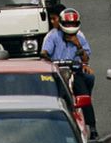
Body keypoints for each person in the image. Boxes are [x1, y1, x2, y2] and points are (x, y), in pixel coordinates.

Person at [40, 8, 96, 136]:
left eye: (73, 24)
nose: (70, 27)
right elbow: (44, 53)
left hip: (74, 73)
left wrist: (78, 45)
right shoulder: (53, 36)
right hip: (55, 73)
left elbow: (86, 58)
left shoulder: (80, 37)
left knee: (84, 95)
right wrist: (47, 57)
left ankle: (92, 127)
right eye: (68, 24)